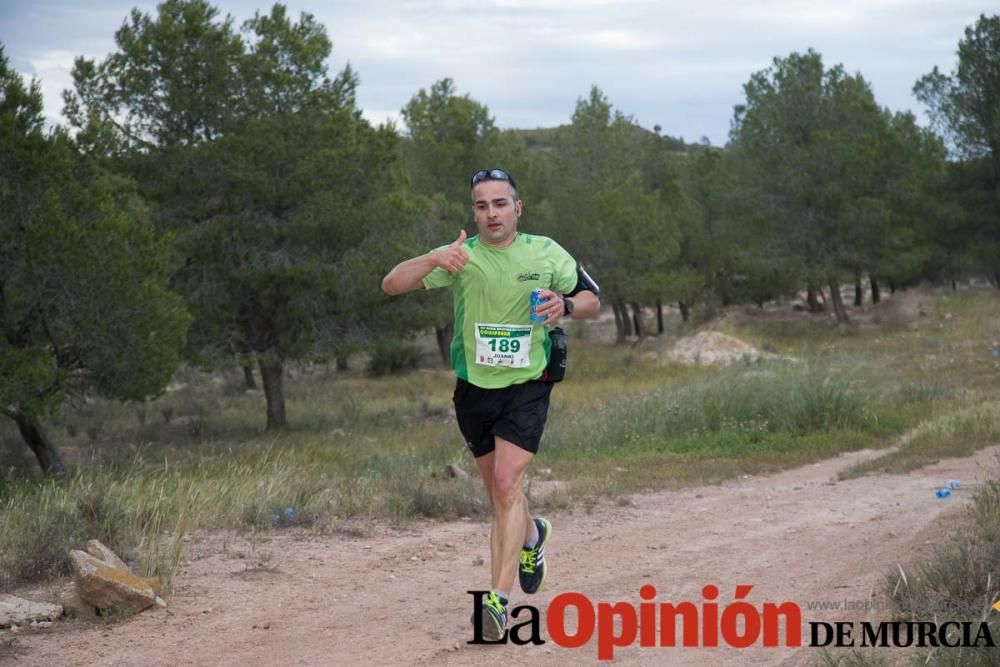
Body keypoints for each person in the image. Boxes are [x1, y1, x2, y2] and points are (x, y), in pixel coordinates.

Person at [381, 168, 600, 639]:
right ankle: (532, 535)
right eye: (481, 205)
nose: (491, 213)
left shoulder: (545, 251)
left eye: (500, 203)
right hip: (474, 389)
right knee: (502, 496)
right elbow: (392, 285)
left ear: (517, 208)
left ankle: (497, 605)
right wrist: (434, 256)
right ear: (474, 213)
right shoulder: (461, 258)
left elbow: (591, 298)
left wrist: (565, 304)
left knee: (506, 484)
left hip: (529, 383)